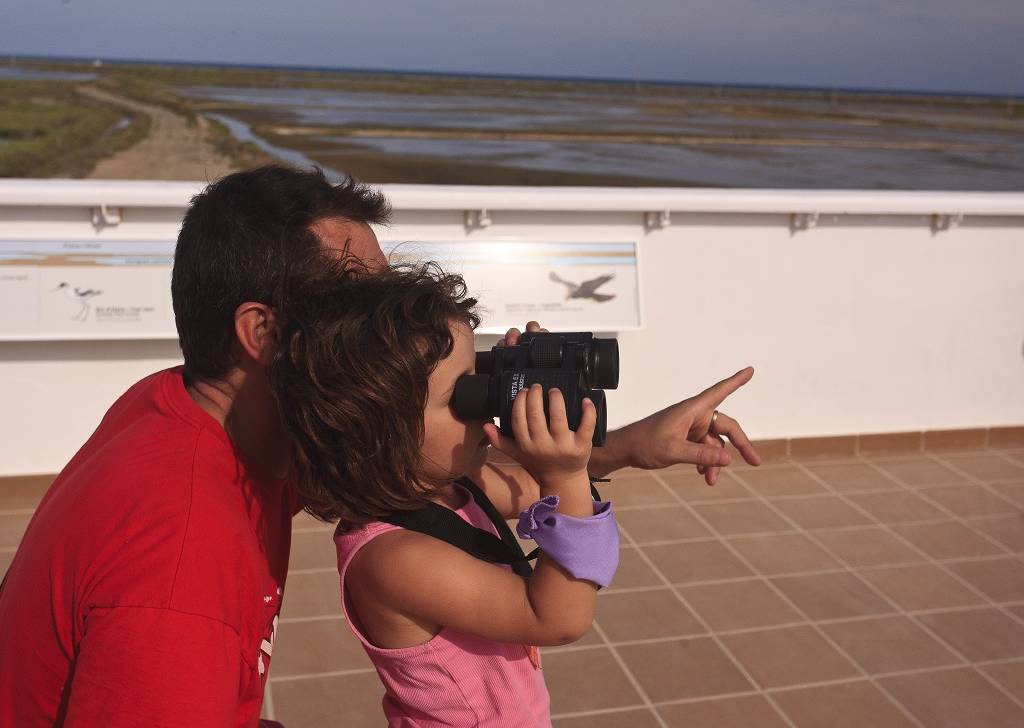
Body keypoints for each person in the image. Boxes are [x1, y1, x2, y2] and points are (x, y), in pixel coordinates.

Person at [0, 164, 759, 727]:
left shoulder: (191, 412)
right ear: (263, 333)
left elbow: (448, 470)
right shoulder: (178, 564)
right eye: (363, 301)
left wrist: (618, 445)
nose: (393, 324)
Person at [271, 260, 617, 726]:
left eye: (483, 372)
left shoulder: (449, 486)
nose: (487, 405)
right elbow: (557, 618)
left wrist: (636, 444)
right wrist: (567, 477)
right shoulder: (395, 558)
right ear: (382, 433)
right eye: (464, 394)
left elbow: (535, 488)